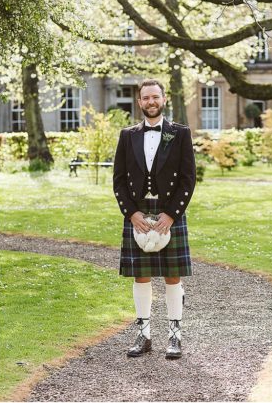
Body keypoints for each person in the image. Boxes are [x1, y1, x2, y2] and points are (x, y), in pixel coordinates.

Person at [112, 79, 197, 359]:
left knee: (172, 275)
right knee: (141, 274)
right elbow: (119, 181)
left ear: (163, 99)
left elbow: (188, 179)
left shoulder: (180, 134)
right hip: (138, 211)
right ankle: (144, 336)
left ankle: (175, 337)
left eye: (155, 97)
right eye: (145, 98)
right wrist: (132, 213)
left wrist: (172, 215)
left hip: (169, 211)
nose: (151, 102)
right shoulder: (128, 136)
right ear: (139, 102)